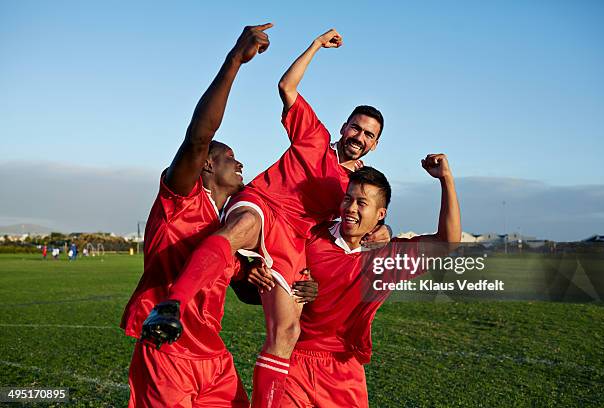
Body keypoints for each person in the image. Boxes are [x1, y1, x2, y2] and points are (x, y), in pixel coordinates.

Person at [142, 28, 391, 408]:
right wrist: (316, 46)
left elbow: (352, 226)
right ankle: (170, 304)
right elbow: (286, 86)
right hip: (262, 204)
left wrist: (382, 230)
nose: (360, 135)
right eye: (356, 127)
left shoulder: (356, 186)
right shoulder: (314, 136)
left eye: (369, 135)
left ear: (375, 145)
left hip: (291, 243)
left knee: (288, 331)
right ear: (344, 127)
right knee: (242, 227)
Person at [120, 23, 273, 408]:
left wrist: (268, 283)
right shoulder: (181, 199)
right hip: (168, 350)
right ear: (206, 165)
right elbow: (198, 137)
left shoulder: (228, 226)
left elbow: (241, 290)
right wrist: (234, 61)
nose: (240, 163)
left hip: (214, 359)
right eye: (230, 157)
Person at [279, 161, 461, 407]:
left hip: (344, 370)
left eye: (361, 203)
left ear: (380, 214)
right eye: (348, 199)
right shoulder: (311, 237)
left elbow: (446, 242)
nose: (351, 208)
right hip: (293, 360)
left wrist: (446, 179)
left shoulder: (387, 258)